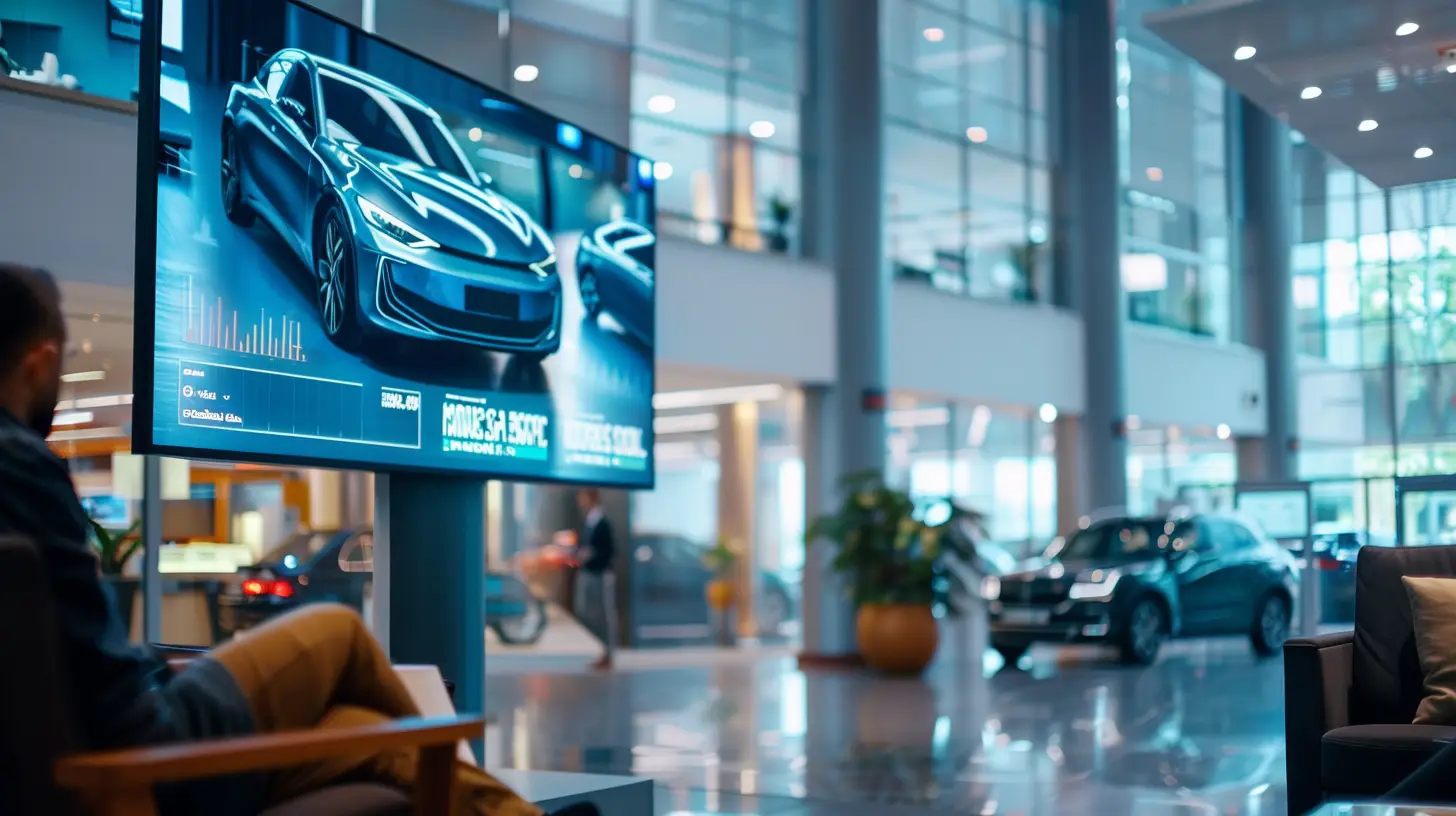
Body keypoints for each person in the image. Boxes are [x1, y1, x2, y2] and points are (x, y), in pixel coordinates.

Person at [0, 263, 548, 816]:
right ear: (39, 363)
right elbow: (106, 684)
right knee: (341, 632)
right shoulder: (21, 463)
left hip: (103, 756)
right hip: (147, 760)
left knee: (361, 731)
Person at [574, 488, 618, 670]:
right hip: (588, 572)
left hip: (599, 574)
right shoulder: (589, 521)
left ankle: (607, 652)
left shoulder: (602, 522)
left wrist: (590, 555)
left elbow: (609, 551)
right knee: (584, 612)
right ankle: (600, 650)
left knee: (603, 615)